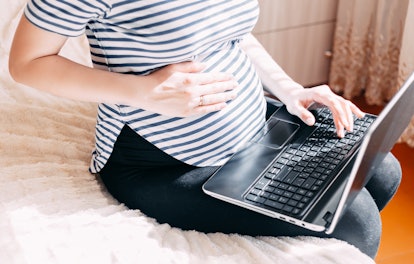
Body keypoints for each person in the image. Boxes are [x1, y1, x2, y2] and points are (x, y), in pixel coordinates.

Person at [9, 0, 401, 259]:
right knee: (357, 221)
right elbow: (27, 62)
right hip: (162, 163)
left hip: (254, 124)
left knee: (384, 172)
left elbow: (228, 31)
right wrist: (145, 91)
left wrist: (290, 89)